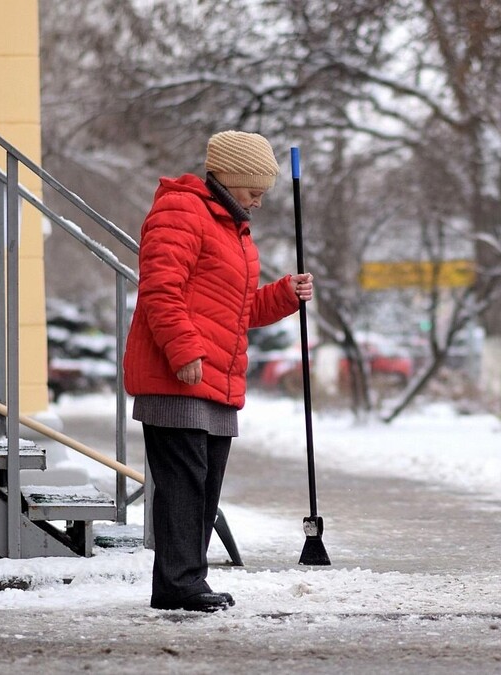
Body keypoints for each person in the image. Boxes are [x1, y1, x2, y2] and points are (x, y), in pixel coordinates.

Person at [124, 130, 314, 612]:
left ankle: (185, 581)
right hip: (178, 376)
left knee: (204, 490)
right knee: (184, 487)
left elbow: (236, 311)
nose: (260, 201)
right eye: (255, 189)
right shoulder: (181, 211)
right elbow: (160, 290)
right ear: (230, 176)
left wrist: (285, 294)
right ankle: (179, 585)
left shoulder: (233, 228)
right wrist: (184, 351)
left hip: (216, 381)